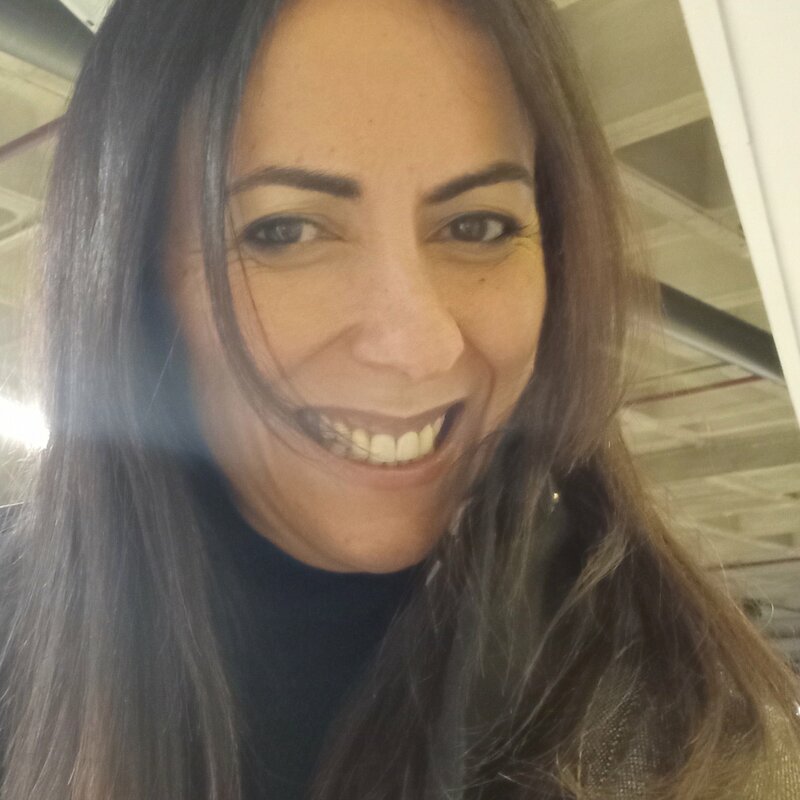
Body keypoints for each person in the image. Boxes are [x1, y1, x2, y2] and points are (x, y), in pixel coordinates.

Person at [1, 0, 798, 797]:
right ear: (132, 281)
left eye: (478, 226)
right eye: (285, 231)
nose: (420, 347)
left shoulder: (682, 734)